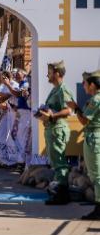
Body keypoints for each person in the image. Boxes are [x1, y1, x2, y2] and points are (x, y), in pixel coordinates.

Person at [38, 60, 74, 205]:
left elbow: (68, 110)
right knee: (56, 162)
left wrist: (52, 116)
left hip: (58, 129)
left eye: (50, 72)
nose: (47, 75)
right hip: (52, 129)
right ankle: (59, 192)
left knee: (60, 163)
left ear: (57, 73)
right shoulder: (55, 89)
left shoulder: (62, 89)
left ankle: (63, 195)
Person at [67, 70, 100, 220]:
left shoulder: (96, 100)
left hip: (95, 139)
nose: (83, 85)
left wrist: (75, 108)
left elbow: (85, 121)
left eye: (86, 83)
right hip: (93, 137)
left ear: (93, 84)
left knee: (97, 174)